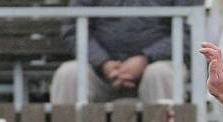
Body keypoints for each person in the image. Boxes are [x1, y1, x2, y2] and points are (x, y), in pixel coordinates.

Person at [50, 0, 200, 104]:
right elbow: (73, 29)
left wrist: (146, 58)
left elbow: (191, 31)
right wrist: (103, 63)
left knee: (161, 74)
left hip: (156, 65)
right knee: (68, 74)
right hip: (100, 73)